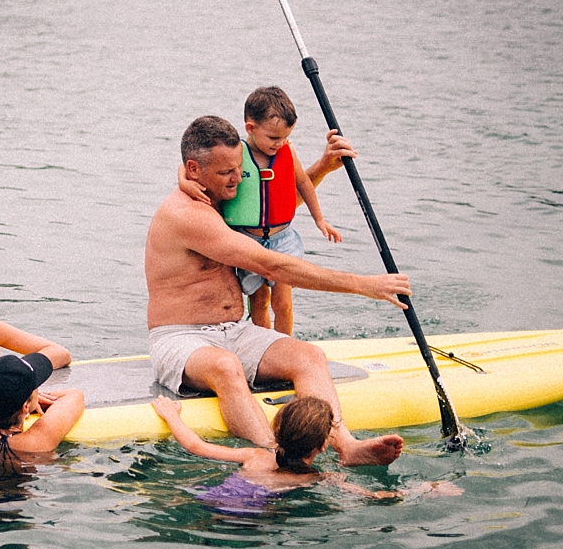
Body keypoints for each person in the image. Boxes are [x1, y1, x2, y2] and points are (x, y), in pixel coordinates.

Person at [145, 115, 410, 467]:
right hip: (181, 338)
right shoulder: (185, 214)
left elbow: (272, 213)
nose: (238, 178)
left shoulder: (222, 194)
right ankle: (274, 455)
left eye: (239, 168)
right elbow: (273, 265)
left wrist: (323, 168)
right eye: (226, 173)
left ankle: (346, 445)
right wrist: (362, 285)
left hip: (236, 331)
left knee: (309, 356)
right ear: (193, 169)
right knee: (226, 367)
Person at [151, 395, 459, 511]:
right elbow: (373, 496)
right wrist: (427, 488)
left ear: (276, 432)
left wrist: (171, 414)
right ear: (323, 445)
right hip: (249, 516)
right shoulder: (321, 478)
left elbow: (196, 446)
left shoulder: (255, 456)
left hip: (207, 497)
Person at [219, 86, 342, 335]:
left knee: (283, 303)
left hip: (282, 239)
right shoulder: (236, 155)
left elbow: (304, 183)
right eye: (274, 138)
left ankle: (286, 346)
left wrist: (320, 220)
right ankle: (265, 349)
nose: (280, 143)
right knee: (259, 302)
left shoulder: (288, 152)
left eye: (285, 137)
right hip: (248, 240)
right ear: (251, 128)